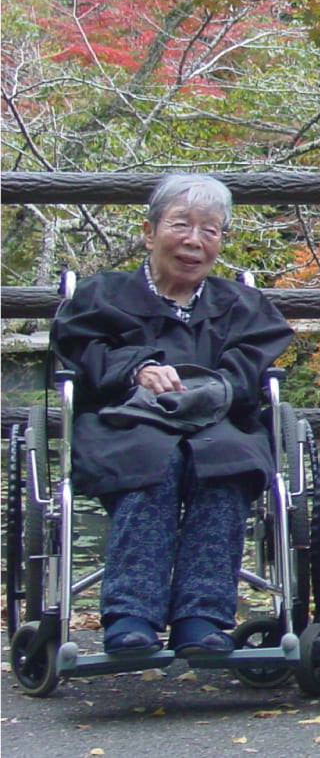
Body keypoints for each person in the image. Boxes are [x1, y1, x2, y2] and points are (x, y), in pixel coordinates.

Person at [52, 174, 294, 658]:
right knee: (154, 460)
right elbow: (84, 353)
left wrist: (211, 388)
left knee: (225, 464)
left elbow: (248, 371)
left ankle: (202, 618)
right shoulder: (102, 295)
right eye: (181, 225)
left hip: (218, 425)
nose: (194, 240)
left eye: (210, 230)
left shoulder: (242, 305)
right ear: (149, 232)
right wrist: (137, 369)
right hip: (125, 421)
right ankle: (131, 615)